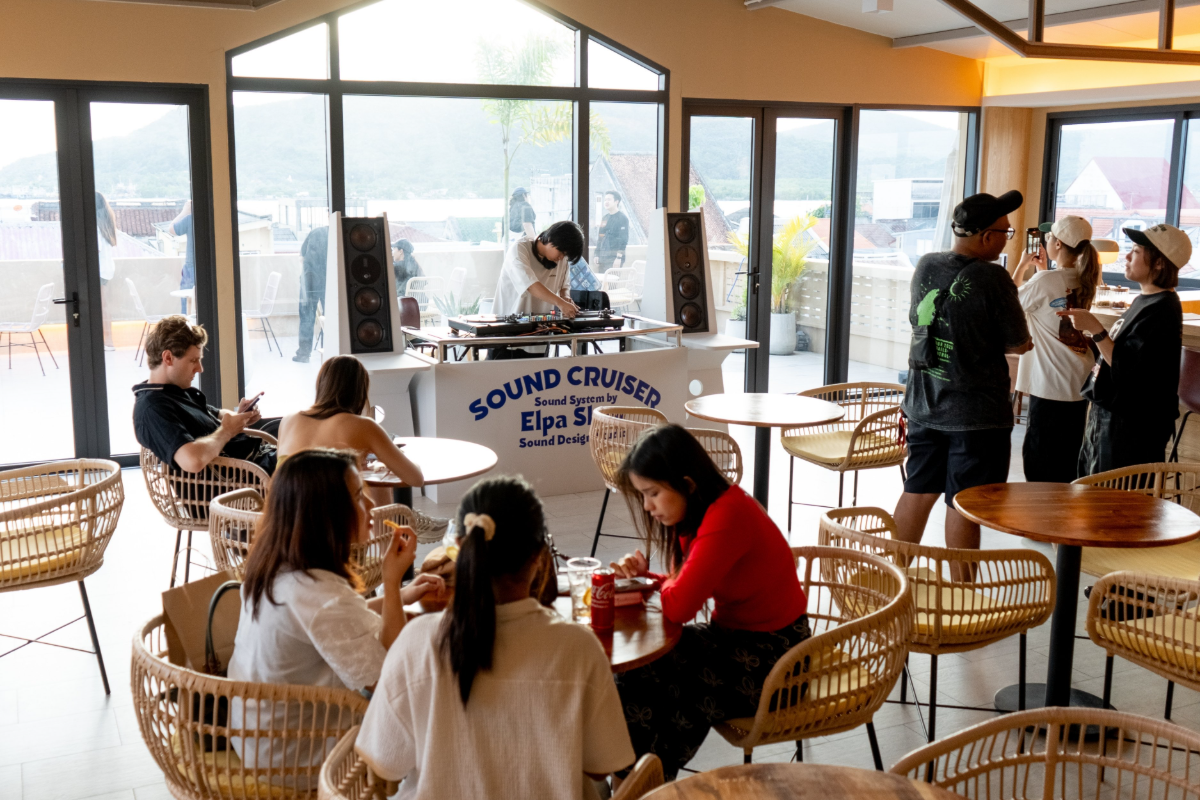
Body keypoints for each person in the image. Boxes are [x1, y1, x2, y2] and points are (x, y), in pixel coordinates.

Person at [355, 475, 635, 799]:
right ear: (539, 556)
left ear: (458, 549)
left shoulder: (417, 641)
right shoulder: (578, 647)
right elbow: (601, 767)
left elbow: (386, 762)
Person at [606, 425, 809, 780]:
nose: (647, 506)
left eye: (652, 493)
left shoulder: (728, 516)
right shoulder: (700, 511)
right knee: (637, 673)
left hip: (778, 662)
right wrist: (646, 578)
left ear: (687, 483)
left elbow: (679, 608)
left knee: (677, 689)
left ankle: (637, 783)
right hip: (735, 639)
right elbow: (681, 588)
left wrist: (659, 584)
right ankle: (636, 781)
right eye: (642, 495)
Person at [227, 449, 444, 774]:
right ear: (324, 512)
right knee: (431, 697)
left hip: (254, 734)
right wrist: (391, 579)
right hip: (298, 754)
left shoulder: (276, 565)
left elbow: (327, 623)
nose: (370, 504)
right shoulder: (321, 595)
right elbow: (389, 679)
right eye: (357, 496)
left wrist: (401, 595)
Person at [894, 190, 1032, 554]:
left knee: (917, 490)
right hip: (976, 415)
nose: (1007, 238)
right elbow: (1018, 343)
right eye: (1005, 232)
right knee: (965, 503)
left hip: (924, 402)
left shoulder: (926, 265)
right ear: (986, 237)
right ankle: (961, 587)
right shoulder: (993, 278)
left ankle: (891, 577)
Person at [1060, 223, 1188, 476]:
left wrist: (1096, 329)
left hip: (1131, 426)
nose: (1127, 257)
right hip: (1112, 416)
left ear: (1159, 263)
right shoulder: (1145, 300)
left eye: (1136, 251)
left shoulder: (1162, 309)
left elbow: (1127, 368)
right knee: (1092, 489)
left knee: (1113, 495)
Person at [1005, 216, 1101, 483]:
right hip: (1078, 380)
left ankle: (1041, 509)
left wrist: (1023, 265)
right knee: (1067, 458)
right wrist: (1042, 271)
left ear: (1057, 244)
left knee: (1039, 461)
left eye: (1049, 237)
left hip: (1050, 382)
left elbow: (1009, 304)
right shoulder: (1085, 278)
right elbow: (1054, 300)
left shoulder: (1045, 280)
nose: (1046, 240)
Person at [132, 315, 277, 475]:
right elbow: (192, 461)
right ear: (168, 358)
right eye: (193, 360)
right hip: (245, 477)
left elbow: (217, 414)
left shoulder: (175, 391)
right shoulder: (152, 408)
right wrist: (227, 431)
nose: (200, 369)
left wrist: (240, 416)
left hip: (258, 460)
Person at [277, 354, 423, 504]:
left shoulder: (288, 420)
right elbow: (416, 479)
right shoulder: (364, 426)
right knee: (377, 486)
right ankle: (390, 519)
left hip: (285, 514)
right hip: (334, 517)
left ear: (321, 384)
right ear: (360, 390)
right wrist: (399, 458)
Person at [490, 220, 584, 359]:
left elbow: (564, 286)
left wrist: (566, 299)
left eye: (565, 255)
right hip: (506, 332)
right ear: (551, 239)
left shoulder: (561, 259)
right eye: (561, 252)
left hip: (539, 335)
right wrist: (560, 303)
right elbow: (531, 285)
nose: (561, 258)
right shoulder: (520, 250)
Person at [294, 225, 329, 364]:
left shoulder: (315, 232)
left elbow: (302, 255)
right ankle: (330, 351)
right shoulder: (337, 235)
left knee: (306, 317)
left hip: (310, 281)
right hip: (329, 282)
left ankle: (304, 354)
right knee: (331, 318)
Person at [96, 192, 118, 351]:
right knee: (104, 305)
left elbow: (95, 249)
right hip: (105, 269)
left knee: (102, 306)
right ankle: (108, 340)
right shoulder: (105, 223)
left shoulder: (95, 226)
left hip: (99, 270)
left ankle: (108, 341)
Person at [170, 199, 195, 314]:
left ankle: (188, 324)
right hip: (210, 267)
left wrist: (184, 212)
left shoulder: (190, 219)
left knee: (187, 306)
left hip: (191, 268)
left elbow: (172, 229)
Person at [594, 190, 629, 271]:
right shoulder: (605, 218)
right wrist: (596, 254)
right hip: (603, 256)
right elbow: (600, 237)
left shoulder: (622, 218)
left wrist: (618, 258)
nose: (606, 202)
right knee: (602, 278)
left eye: (609, 199)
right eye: (605, 200)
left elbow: (624, 240)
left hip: (614, 257)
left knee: (612, 279)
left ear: (616, 201)